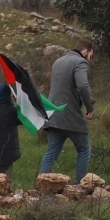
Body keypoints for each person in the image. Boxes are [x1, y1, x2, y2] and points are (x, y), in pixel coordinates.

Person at [40, 39, 95, 181]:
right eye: (90, 55)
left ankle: (41, 186)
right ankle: (79, 186)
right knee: (84, 149)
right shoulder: (80, 62)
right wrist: (90, 107)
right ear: (85, 51)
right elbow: (83, 85)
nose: (90, 59)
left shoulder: (58, 62)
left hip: (53, 113)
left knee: (51, 153)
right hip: (70, 114)